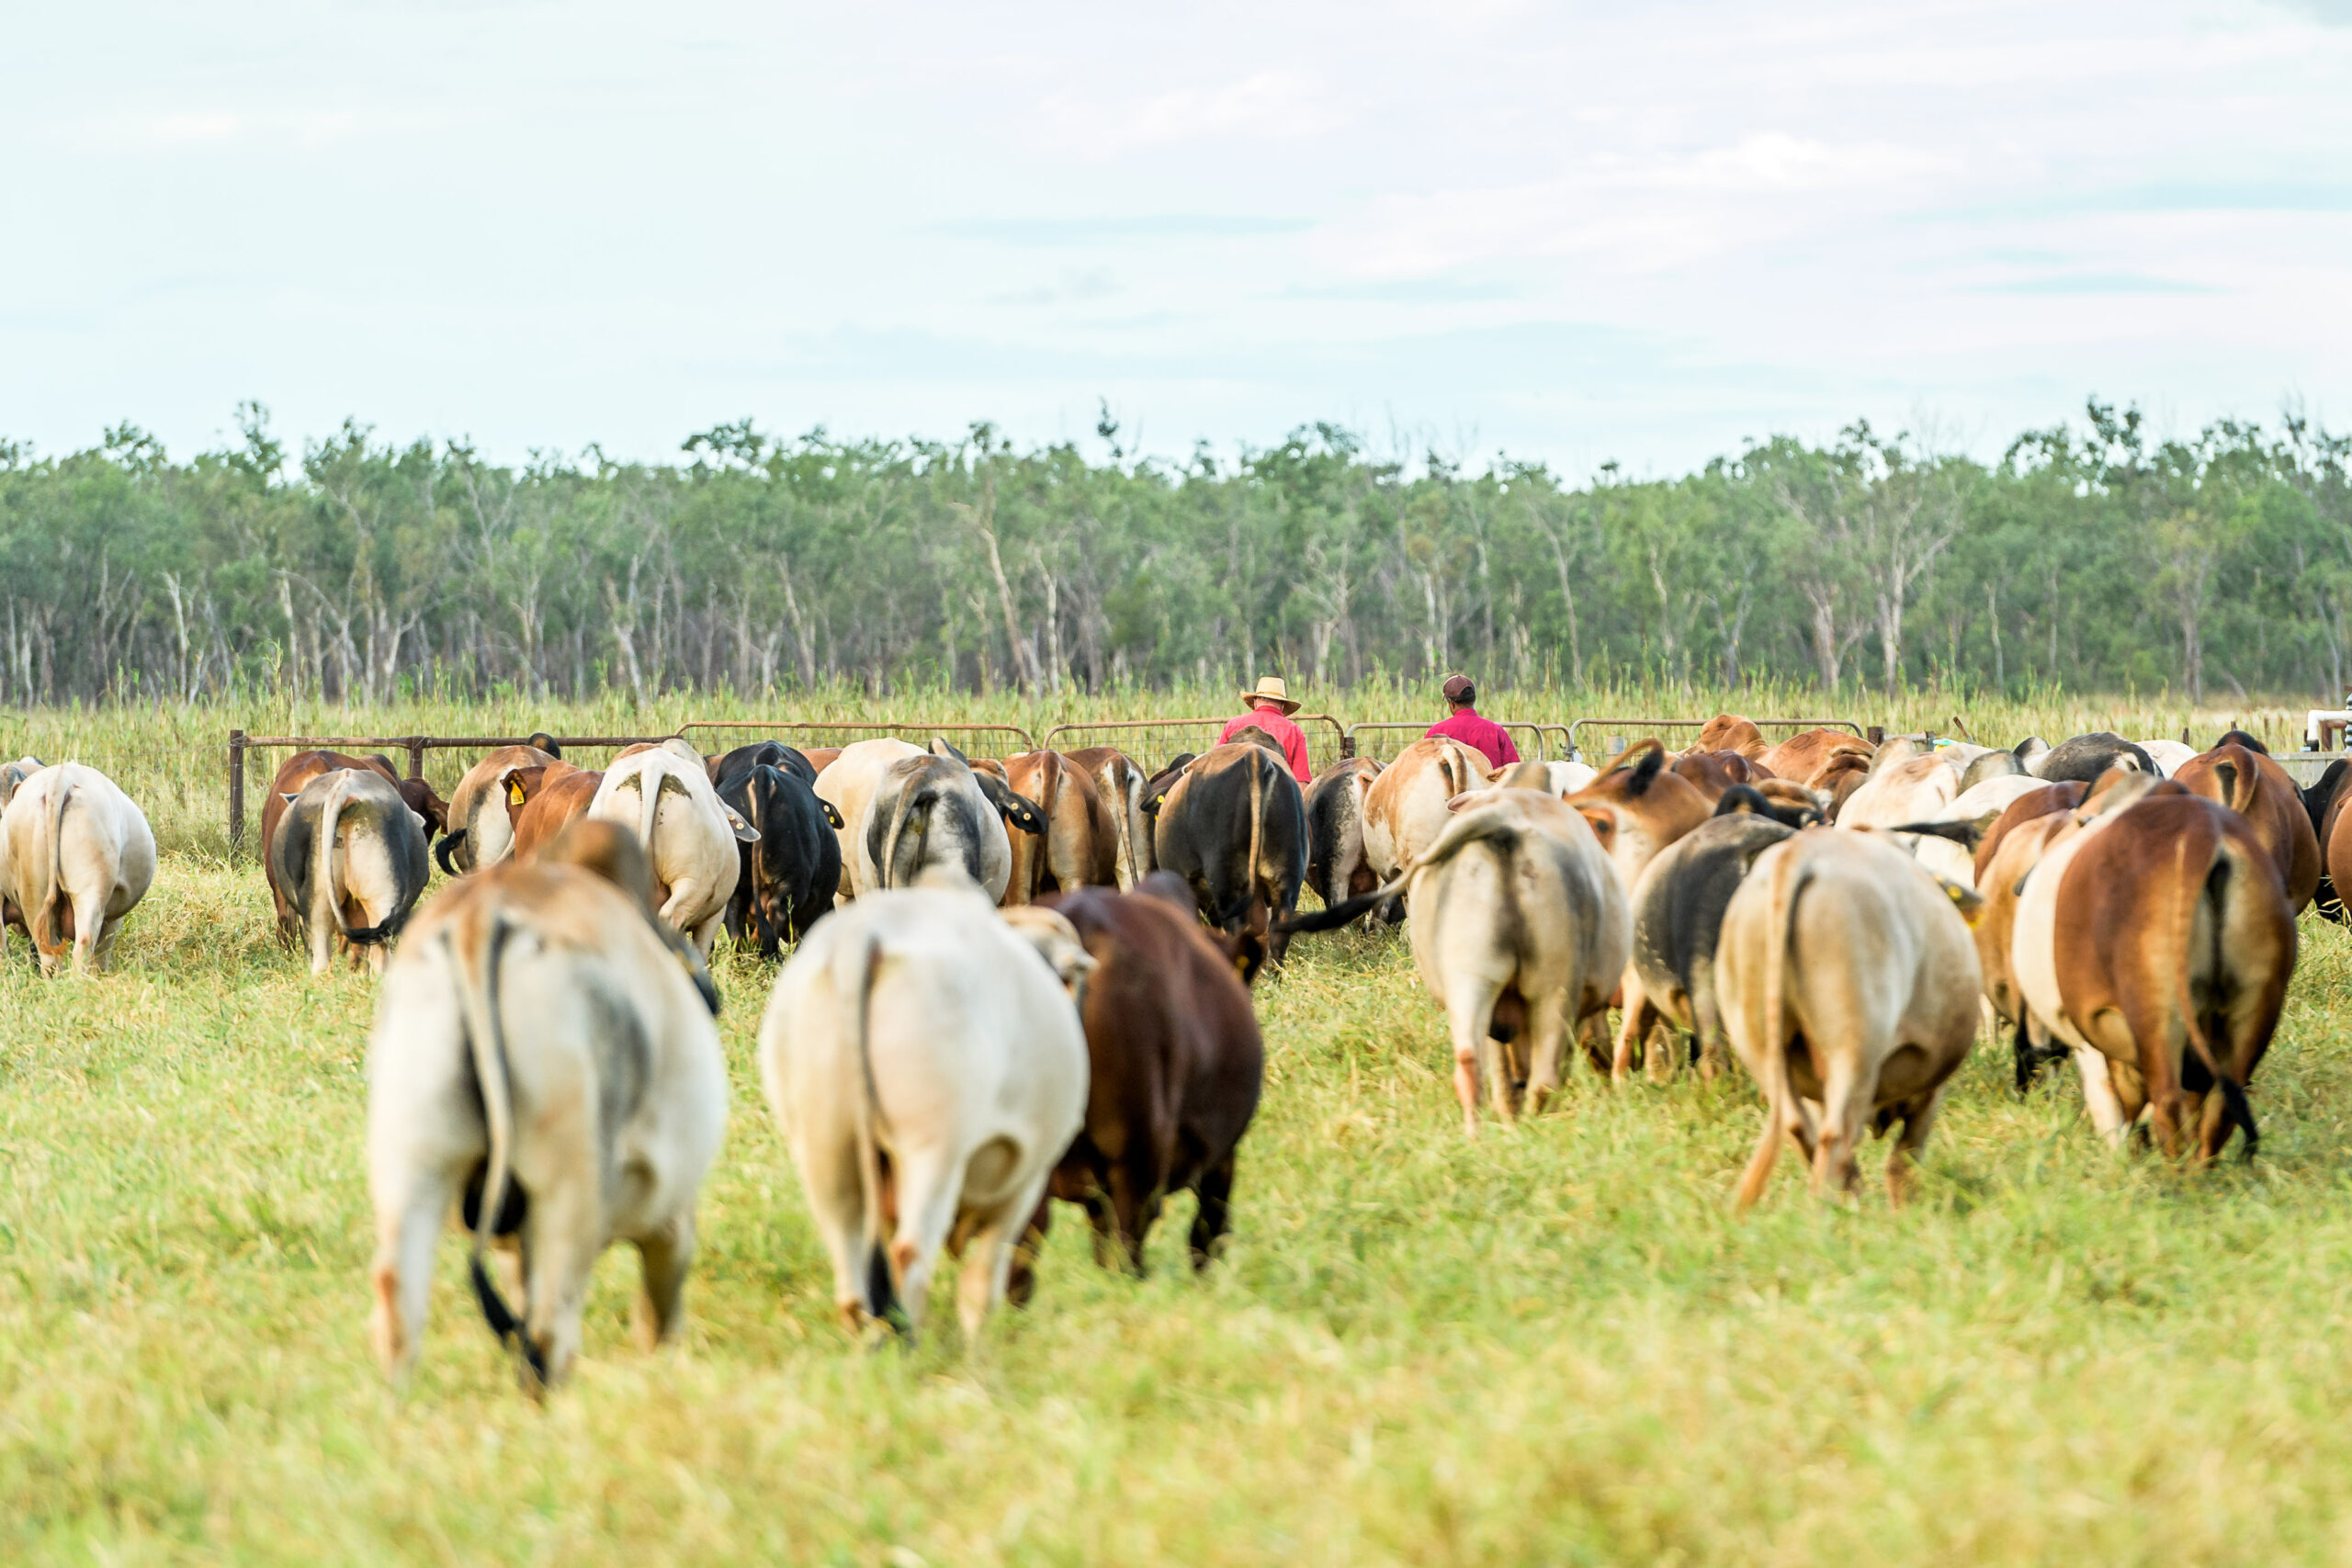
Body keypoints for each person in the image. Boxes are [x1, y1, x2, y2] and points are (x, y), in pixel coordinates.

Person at [1219, 675, 1313, 783]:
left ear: (1255, 701)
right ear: (1282, 705)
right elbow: (1301, 781)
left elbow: (1214, 766)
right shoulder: (1293, 731)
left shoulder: (1232, 725)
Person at [1424, 673, 1520, 771]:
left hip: (1448, 786)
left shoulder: (1436, 732)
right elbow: (1514, 770)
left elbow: (1424, 769)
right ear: (1474, 700)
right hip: (1490, 785)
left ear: (1451, 704)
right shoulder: (1496, 731)